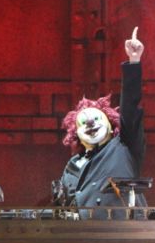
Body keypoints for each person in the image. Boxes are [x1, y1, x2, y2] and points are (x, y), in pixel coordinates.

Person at [56, 27, 147, 219]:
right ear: (76, 134)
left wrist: (133, 62)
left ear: (110, 124)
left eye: (96, 119)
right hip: (86, 234)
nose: (90, 123)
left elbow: (130, 109)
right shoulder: (73, 165)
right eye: (83, 123)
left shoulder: (124, 146)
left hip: (125, 232)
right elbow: (64, 205)